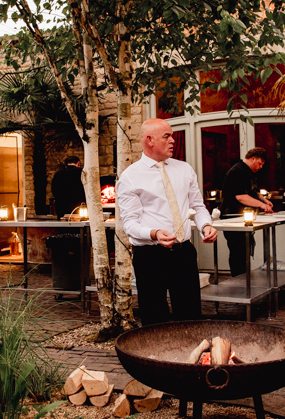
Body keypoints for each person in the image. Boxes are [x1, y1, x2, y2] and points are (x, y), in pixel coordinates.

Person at [117, 118, 218, 325]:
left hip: (184, 253)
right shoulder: (130, 177)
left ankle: (190, 355)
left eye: (172, 135)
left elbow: (198, 206)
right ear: (150, 140)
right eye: (167, 136)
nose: (173, 140)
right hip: (150, 256)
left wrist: (205, 225)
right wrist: (154, 233)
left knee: (190, 315)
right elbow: (130, 224)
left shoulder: (184, 169)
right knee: (154, 319)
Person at [221, 147, 273, 277]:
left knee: (243, 251)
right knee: (238, 252)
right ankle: (238, 281)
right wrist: (262, 205)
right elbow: (241, 196)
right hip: (232, 217)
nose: (260, 167)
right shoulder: (237, 172)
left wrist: (264, 200)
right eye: (260, 163)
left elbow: (252, 191)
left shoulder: (248, 172)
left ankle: (245, 280)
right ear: (252, 158)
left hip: (242, 217)